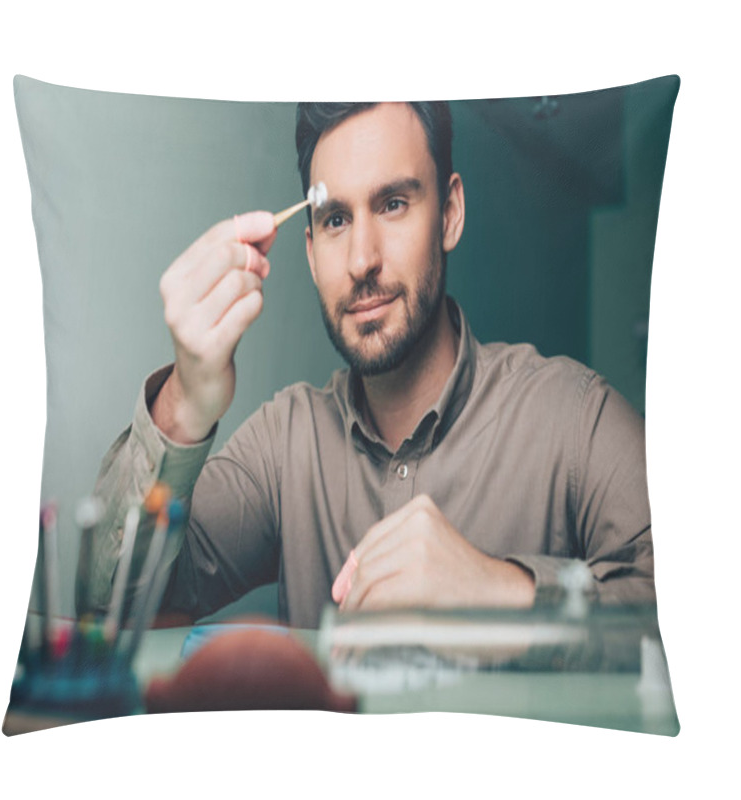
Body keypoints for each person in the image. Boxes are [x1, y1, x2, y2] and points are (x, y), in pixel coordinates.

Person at [84, 101, 654, 630]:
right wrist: (188, 395)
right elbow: (111, 608)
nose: (362, 260)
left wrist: (502, 591)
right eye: (335, 220)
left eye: (393, 204)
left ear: (451, 214)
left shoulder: (574, 417)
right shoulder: (285, 445)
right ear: (309, 253)